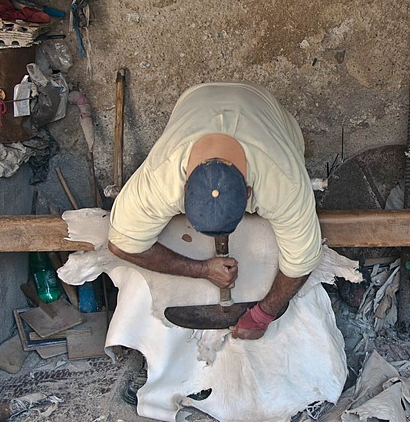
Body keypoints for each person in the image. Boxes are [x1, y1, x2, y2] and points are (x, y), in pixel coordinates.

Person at [108, 82, 322, 340]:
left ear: (249, 193)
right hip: (196, 99)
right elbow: (121, 243)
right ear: (184, 187)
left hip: (261, 104)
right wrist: (203, 269)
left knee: (286, 232)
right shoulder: (161, 177)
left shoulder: (284, 181)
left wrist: (263, 315)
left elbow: (302, 262)